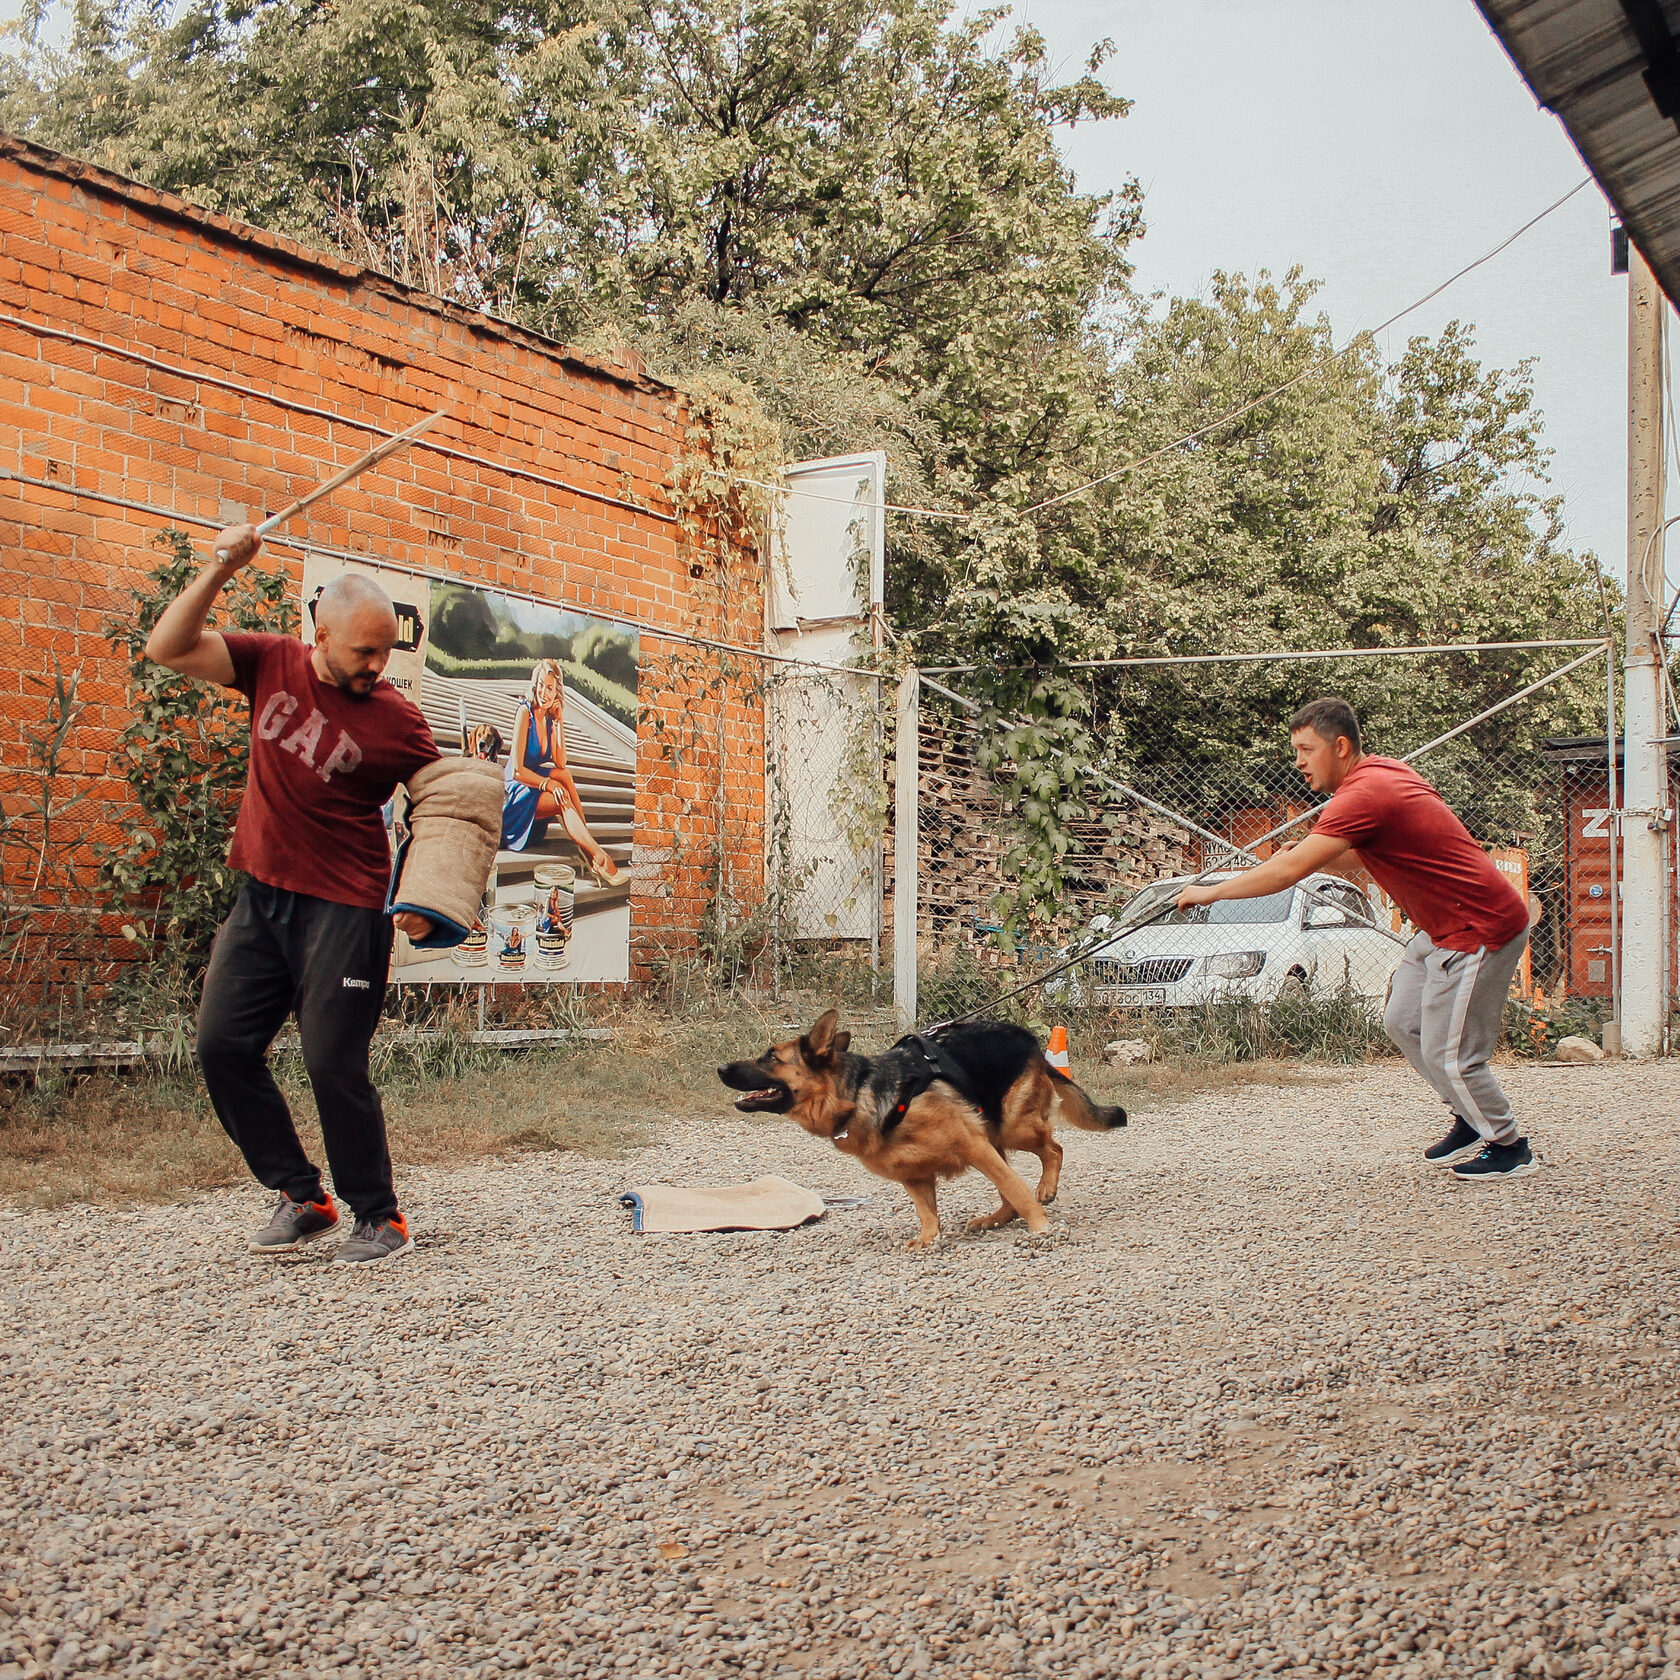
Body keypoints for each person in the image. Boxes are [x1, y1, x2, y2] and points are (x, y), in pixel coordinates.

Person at [145, 524, 441, 1262]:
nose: (377, 666)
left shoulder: (397, 717)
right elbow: (168, 646)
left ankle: (380, 1215)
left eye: (386, 651)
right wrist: (221, 566)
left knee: (331, 1061)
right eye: (362, 652)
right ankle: (302, 1196)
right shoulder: (268, 662)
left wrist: (434, 896)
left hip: (347, 905)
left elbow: (446, 805)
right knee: (221, 1047)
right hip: (264, 896)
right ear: (319, 632)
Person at [1175, 696, 1538, 1182]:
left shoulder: (1363, 795)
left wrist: (1209, 893)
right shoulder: (1378, 777)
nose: (1298, 762)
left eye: (1306, 749)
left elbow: (1284, 874)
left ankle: (1508, 1145)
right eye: (1296, 750)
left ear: (1340, 746)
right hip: (1439, 927)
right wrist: (1314, 853)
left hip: (1478, 927)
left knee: (1450, 1053)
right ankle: (1471, 1119)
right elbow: (1366, 856)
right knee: (1402, 1021)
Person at [500, 657, 630, 885]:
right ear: (534, 684)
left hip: (535, 782)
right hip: (516, 792)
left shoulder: (550, 717)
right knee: (560, 792)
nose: (544, 692)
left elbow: (560, 763)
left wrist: (559, 721)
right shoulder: (525, 713)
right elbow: (518, 770)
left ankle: (587, 845)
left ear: (556, 691)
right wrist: (548, 784)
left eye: (549, 688)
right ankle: (598, 856)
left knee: (564, 775)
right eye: (540, 685)